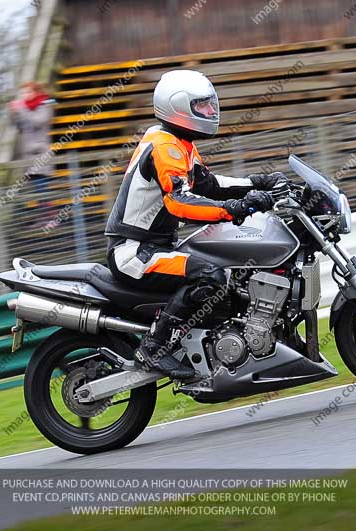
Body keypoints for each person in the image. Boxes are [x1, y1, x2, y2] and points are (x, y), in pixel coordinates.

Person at [104, 70, 287, 380]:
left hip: (154, 246)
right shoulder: (165, 147)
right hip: (135, 252)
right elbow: (181, 202)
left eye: (210, 105)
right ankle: (154, 348)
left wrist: (258, 183)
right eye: (202, 106)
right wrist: (234, 209)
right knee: (209, 275)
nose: (210, 112)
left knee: (222, 267)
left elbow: (209, 185)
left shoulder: (178, 143)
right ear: (177, 106)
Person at [8, 81, 54, 185]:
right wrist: (13, 113)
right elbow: (19, 127)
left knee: (42, 192)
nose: (24, 95)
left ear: (36, 92)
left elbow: (37, 122)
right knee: (39, 194)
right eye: (22, 93)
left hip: (40, 154)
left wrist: (22, 109)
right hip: (28, 156)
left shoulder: (44, 105)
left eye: (27, 92)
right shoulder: (25, 109)